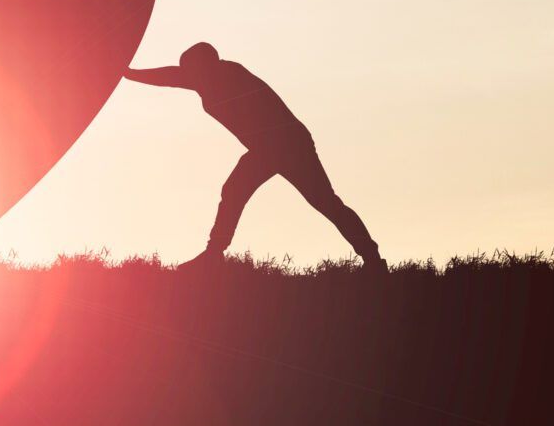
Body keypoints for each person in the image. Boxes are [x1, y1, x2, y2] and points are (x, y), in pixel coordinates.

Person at [125, 42, 382, 266]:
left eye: (191, 69)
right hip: (266, 148)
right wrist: (129, 74)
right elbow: (170, 76)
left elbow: (174, 76)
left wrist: (129, 73)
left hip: (287, 143)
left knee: (324, 202)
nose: (187, 75)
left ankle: (371, 256)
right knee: (235, 192)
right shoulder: (204, 78)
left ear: (207, 64)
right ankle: (214, 254)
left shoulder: (231, 74)